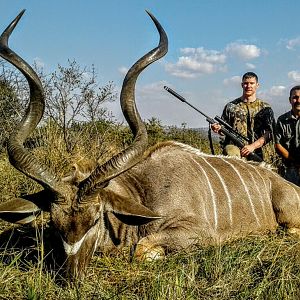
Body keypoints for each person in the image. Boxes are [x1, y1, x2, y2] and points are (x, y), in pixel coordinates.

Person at [211, 72, 275, 161]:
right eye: (246, 83)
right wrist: (217, 129)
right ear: (242, 85)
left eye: (252, 83)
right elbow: (223, 130)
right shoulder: (231, 106)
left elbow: (270, 133)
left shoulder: (265, 107)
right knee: (231, 151)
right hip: (236, 152)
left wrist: (252, 146)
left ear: (257, 85)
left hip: (258, 151)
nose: (248, 86)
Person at [275, 85, 300, 185]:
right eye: (295, 97)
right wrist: (294, 162)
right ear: (290, 100)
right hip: (290, 167)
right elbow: (278, 145)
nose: (298, 100)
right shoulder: (282, 120)